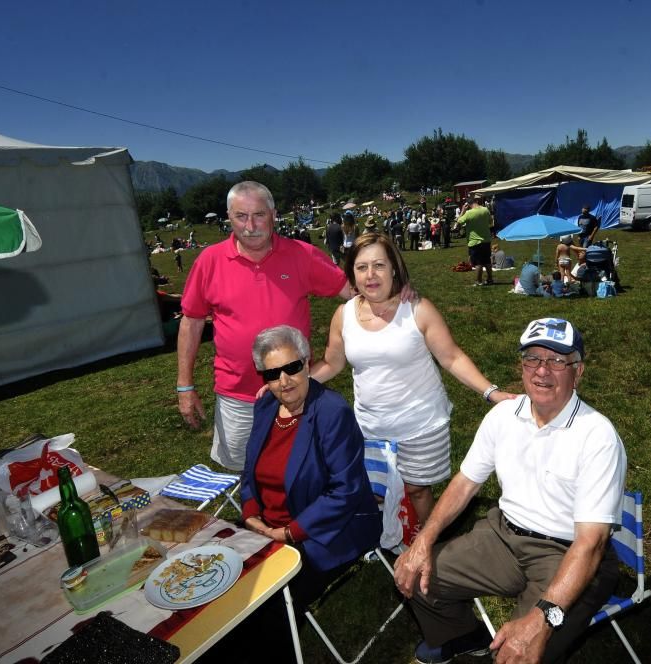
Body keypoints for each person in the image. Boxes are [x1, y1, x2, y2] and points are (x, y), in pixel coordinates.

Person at [394, 318, 626, 664]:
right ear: (521, 366)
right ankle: (461, 638)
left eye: (557, 361)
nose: (542, 371)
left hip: (565, 554)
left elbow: (590, 544)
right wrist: (423, 541)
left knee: (519, 653)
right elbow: (464, 483)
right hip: (503, 536)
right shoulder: (503, 415)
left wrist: (541, 618)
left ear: (578, 372)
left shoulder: (597, 436)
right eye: (533, 358)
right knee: (417, 577)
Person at [311, 234, 516, 527]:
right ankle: (389, 535)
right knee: (376, 490)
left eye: (379, 265)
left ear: (394, 268)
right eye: (362, 267)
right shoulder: (343, 315)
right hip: (371, 427)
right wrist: (293, 381)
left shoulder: (417, 309)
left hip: (420, 424)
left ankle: (427, 543)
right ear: (352, 273)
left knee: (419, 490)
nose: (371, 275)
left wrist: (491, 393)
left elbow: (451, 357)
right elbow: (332, 363)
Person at [175, 181, 352, 471]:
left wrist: (396, 292)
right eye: (240, 216)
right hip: (237, 396)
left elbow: (352, 292)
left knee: (301, 471)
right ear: (228, 218)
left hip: (295, 391)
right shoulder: (209, 261)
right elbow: (192, 322)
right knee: (244, 472)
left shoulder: (302, 254)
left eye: (258, 215)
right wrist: (185, 386)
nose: (250, 226)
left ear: (273, 214)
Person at [230, 325, 381, 663]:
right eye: (272, 373)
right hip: (265, 523)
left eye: (292, 367)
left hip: (327, 530)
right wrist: (252, 515)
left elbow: (345, 490)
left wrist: (288, 533)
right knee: (221, 579)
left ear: (307, 362)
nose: (284, 380)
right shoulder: (266, 406)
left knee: (269, 602)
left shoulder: (331, 412)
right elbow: (250, 469)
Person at [458, 195, 495, 286]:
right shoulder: (485, 210)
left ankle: (478, 281)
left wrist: (463, 210)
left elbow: (459, 222)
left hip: (474, 242)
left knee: (478, 263)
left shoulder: (469, 213)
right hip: (486, 240)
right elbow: (490, 222)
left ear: (468, 204)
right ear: (476, 201)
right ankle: (490, 279)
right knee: (487, 261)